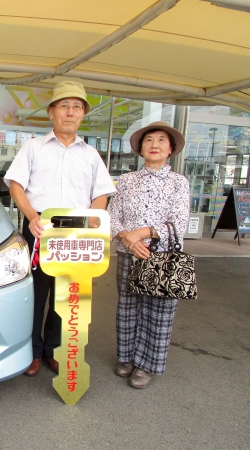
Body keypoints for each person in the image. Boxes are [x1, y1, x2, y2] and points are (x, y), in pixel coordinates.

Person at [4, 80, 116, 377]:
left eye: (77, 107)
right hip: (41, 226)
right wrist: (31, 216)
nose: (70, 112)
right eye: (64, 106)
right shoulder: (33, 147)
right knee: (35, 293)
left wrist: (95, 220)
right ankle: (32, 352)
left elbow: (101, 192)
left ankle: (54, 350)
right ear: (52, 112)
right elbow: (16, 185)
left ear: (83, 115)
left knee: (65, 294)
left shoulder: (90, 154)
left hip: (77, 231)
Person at [107, 121, 190, 389]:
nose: (155, 145)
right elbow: (112, 217)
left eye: (161, 140)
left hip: (162, 256)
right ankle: (127, 358)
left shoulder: (179, 183)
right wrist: (127, 240)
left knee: (159, 312)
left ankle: (147, 365)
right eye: (149, 140)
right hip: (129, 253)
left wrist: (141, 233)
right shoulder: (126, 181)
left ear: (170, 149)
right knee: (128, 307)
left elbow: (180, 223)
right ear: (141, 149)